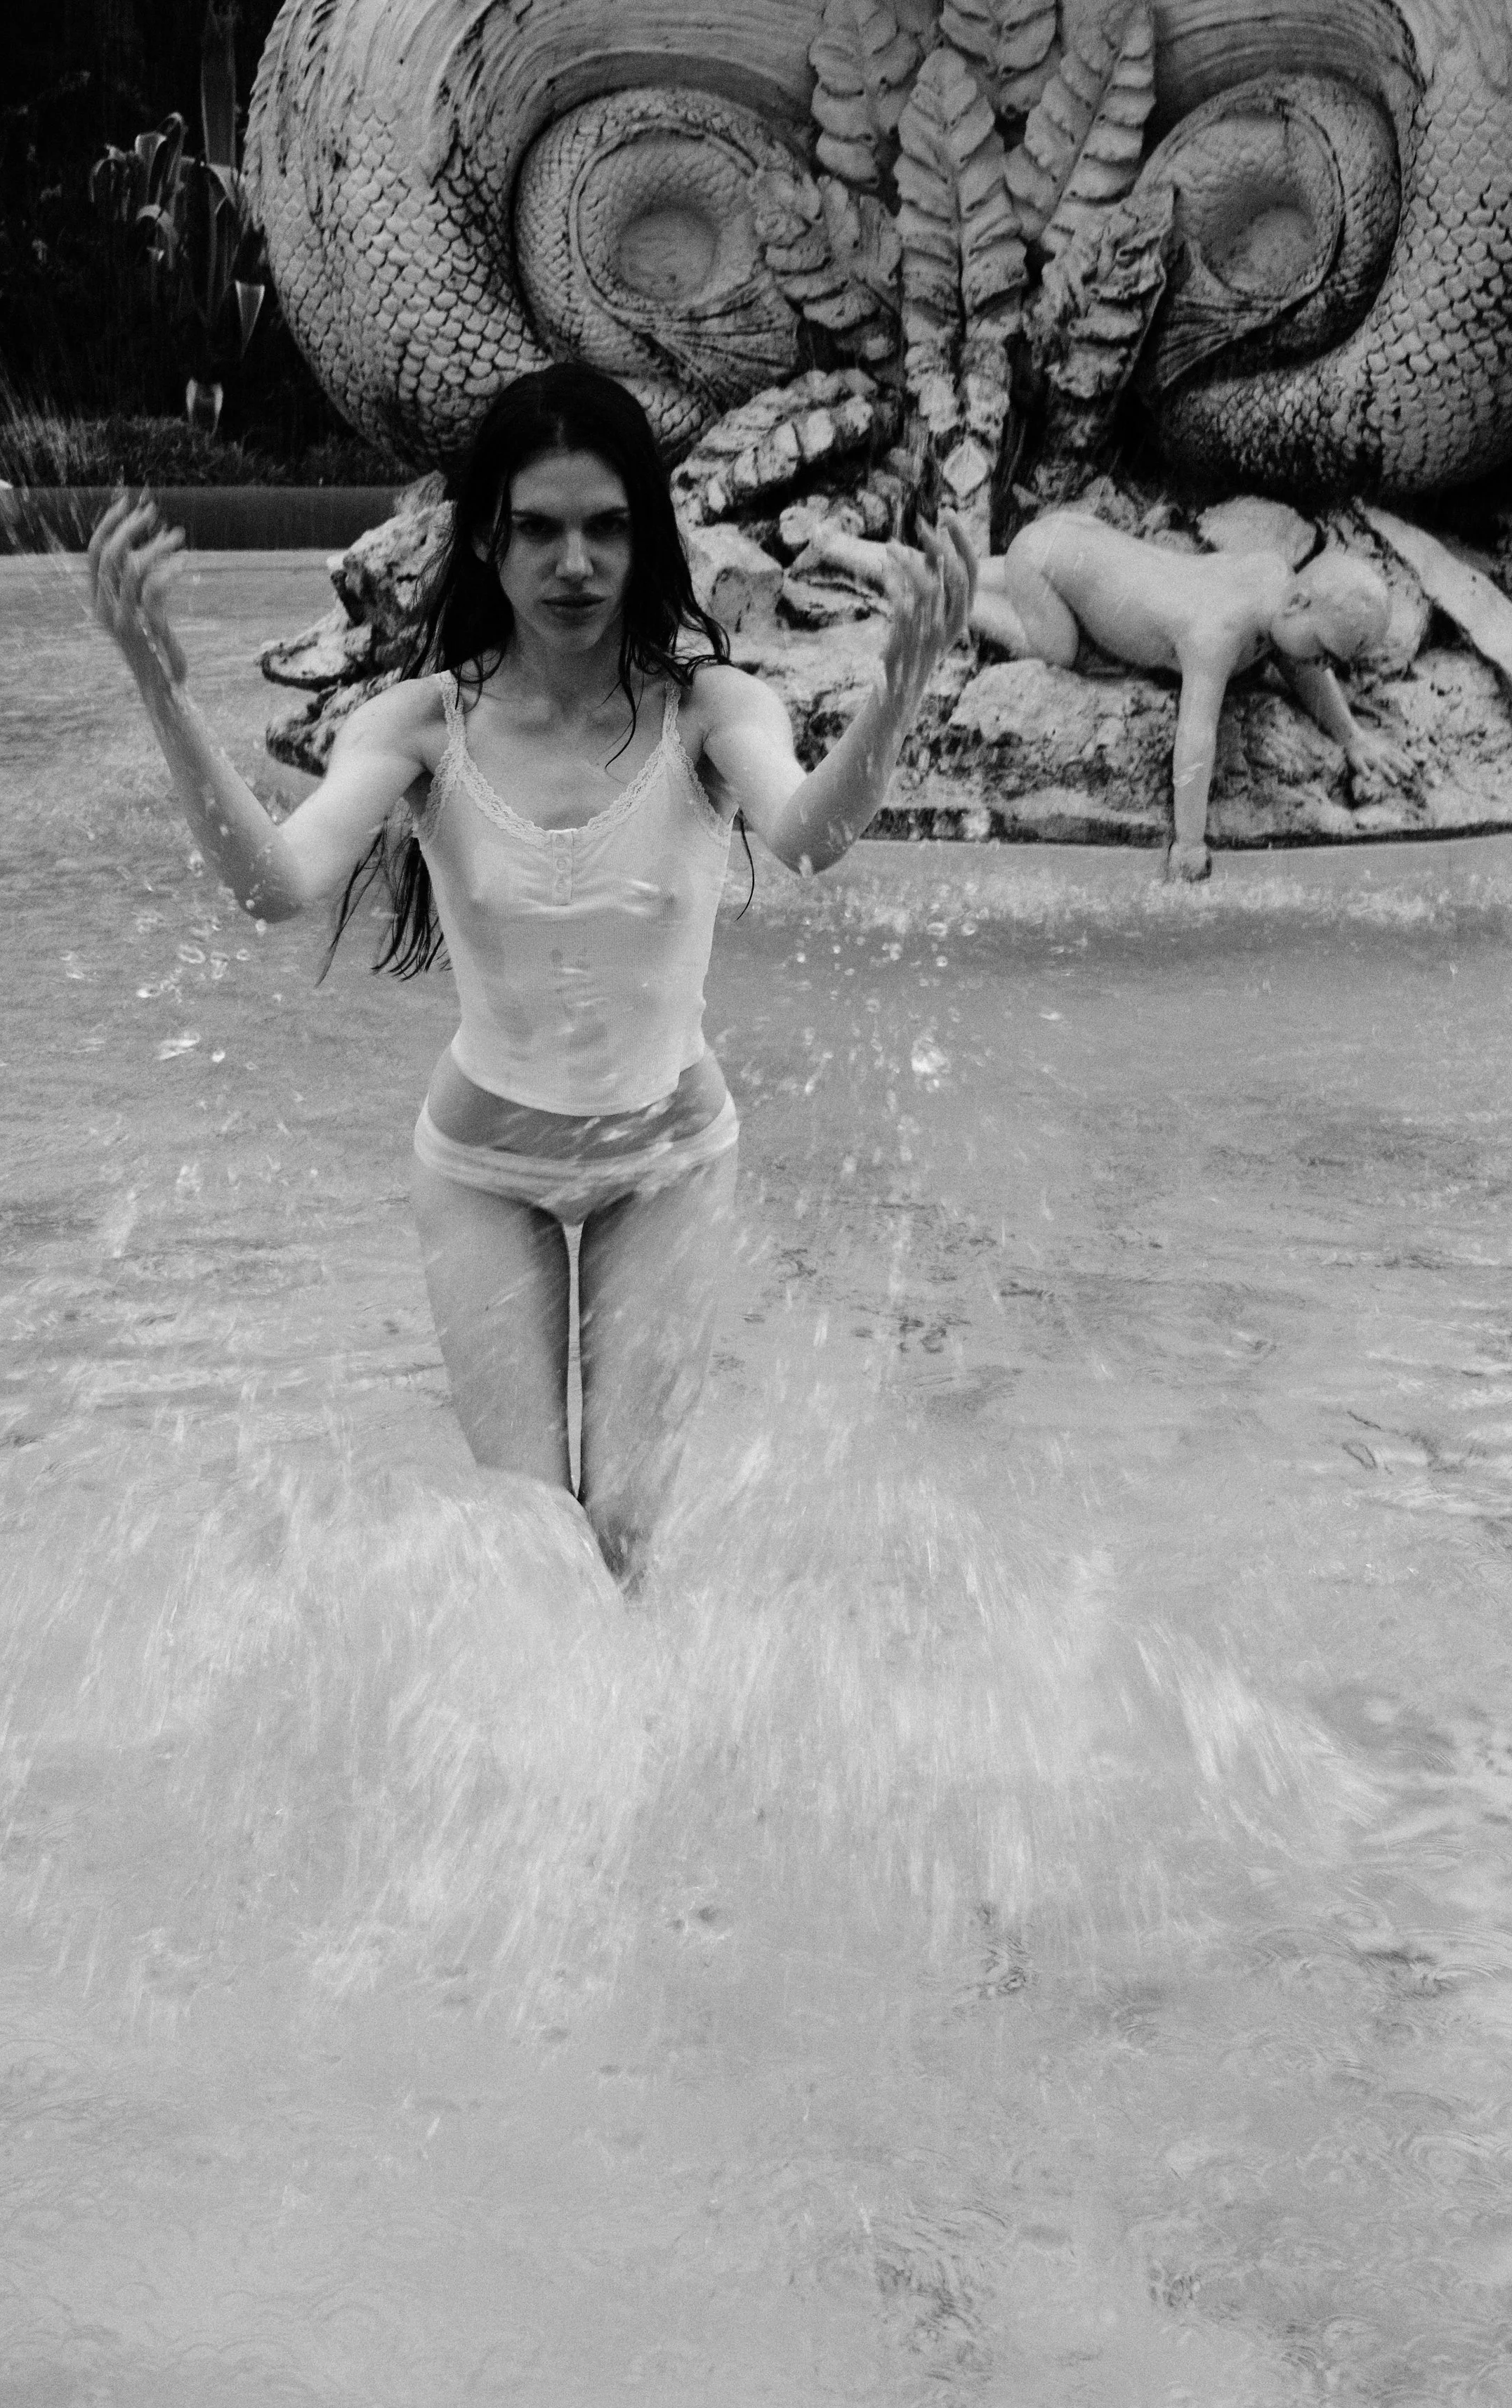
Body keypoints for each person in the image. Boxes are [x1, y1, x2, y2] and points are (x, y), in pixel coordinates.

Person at [88, 364, 975, 1585]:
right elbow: (275, 884)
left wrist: (901, 686)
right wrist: (163, 694)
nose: (576, 563)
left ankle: (646, 1764)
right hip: (482, 1173)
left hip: (666, 1159)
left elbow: (811, 833)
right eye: (542, 529)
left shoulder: (710, 710)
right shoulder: (417, 724)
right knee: (534, 1543)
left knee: (621, 1534)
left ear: (645, 540)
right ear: (489, 545)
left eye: (608, 527)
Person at [995, 511, 1407, 882]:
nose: (1322, 667)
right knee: (1059, 650)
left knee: (1036, 568)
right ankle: (965, 606)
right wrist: (1189, 843)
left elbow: (1299, 666)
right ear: (1298, 603)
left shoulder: (1275, 581)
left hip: (1068, 537)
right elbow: (1196, 733)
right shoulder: (1218, 634)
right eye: (1323, 652)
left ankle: (977, 572)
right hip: (1040, 562)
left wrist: (1352, 737)